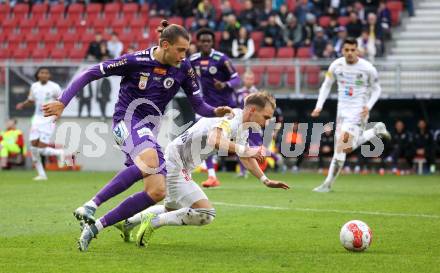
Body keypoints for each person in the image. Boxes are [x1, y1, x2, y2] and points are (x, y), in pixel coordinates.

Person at [42, 21, 233, 252]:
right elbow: (91, 73)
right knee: (150, 159)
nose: (185, 55)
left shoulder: (184, 69)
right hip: (126, 122)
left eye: (186, 50)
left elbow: (199, 105)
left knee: (157, 191)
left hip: (148, 129)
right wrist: (63, 101)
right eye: (181, 50)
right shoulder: (135, 61)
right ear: (164, 45)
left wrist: (215, 111)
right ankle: (91, 205)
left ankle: (95, 228)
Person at [113, 92, 290, 247]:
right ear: (252, 110)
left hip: (180, 161)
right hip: (177, 161)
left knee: (171, 208)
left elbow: (244, 157)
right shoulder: (231, 118)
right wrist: (247, 149)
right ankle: (153, 222)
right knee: (206, 214)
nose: (267, 123)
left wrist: (265, 180)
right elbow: (216, 140)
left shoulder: (242, 126)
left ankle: (127, 223)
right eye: (266, 117)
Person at [311, 37, 391, 193]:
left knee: (340, 146)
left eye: (352, 50)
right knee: (344, 149)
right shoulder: (336, 65)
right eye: (346, 50)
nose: (349, 53)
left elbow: (377, 89)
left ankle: (327, 185)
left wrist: (368, 106)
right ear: (342, 50)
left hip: (358, 112)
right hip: (341, 113)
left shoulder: (368, 68)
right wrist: (319, 106)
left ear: (357, 50)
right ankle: (376, 131)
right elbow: (326, 85)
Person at [190, 28, 241, 188]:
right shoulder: (193, 59)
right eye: (202, 41)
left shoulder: (221, 59)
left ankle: (250, 164)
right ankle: (211, 175)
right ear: (198, 42)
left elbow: (236, 78)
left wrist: (225, 84)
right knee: (203, 140)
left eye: (208, 41)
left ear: (212, 43)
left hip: (226, 108)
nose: (205, 43)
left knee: (232, 139)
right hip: (206, 108)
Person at [16, 67, 65, 181]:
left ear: (49, 76)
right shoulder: (34, 86)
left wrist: (58, 115)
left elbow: (62, 101)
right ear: (38, 75)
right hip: (37, 119)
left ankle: (59, 153)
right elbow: (31, 100)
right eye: (42, 73)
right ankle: (42, 174)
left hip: (49, 119)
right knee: (33, 148)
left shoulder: (55, 87)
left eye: (46, 73)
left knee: (41, 149)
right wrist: (22, 105)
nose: (44, 75)